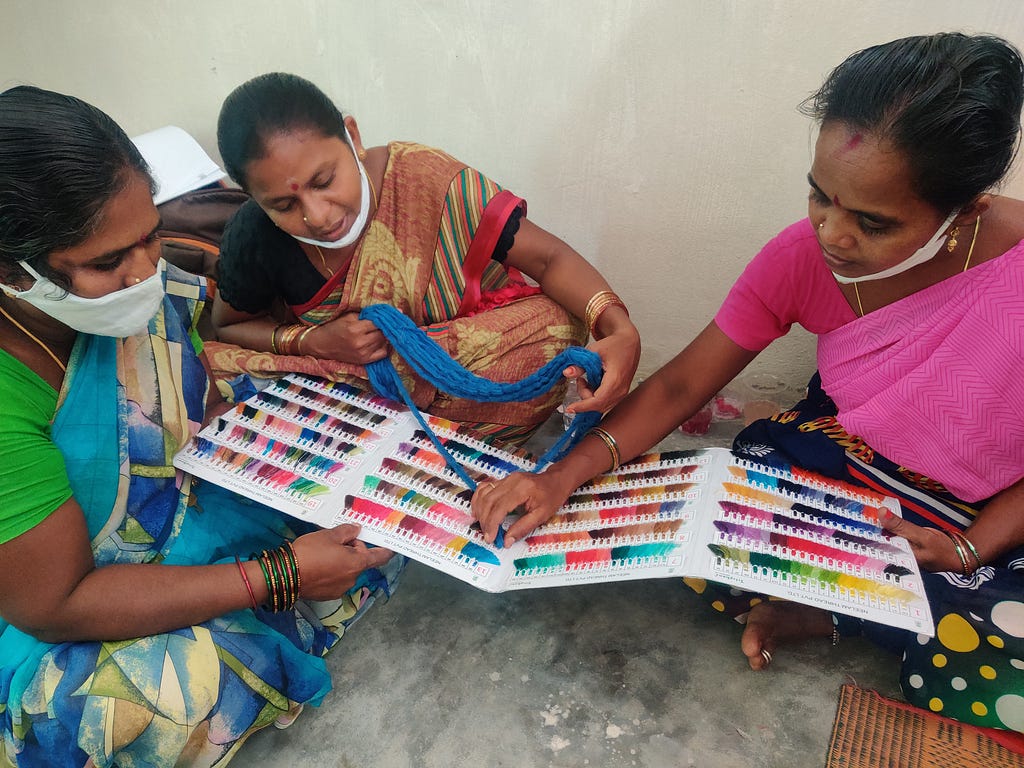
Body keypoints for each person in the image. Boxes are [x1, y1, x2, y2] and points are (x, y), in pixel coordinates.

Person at [472, 32, 1024, 733]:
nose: (832, 233)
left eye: (873, 222)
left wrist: (968, 550)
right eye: (819, 196)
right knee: (688, 524)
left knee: (996, 668)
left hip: (992, 511)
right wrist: (556, 477)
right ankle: (856, 601)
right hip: (855, 462)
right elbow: (679, 390)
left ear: (966, 210)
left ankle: (831, 605)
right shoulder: (800, 259)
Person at [0, 86, 401, 767]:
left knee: (369, 493)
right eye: (107, 263)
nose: (146, 270)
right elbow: (55, 603)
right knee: (119, 713)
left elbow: (193, 398)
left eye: (150, 234)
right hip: (58, 602)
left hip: (182, 514)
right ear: (14, 271)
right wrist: (279, 577)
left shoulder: (140, 293)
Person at [208, 73, 641, 444]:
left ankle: (375, 440)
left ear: (353, 138)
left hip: (454, 367)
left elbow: (549, 260)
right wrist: (310, 341)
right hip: (338, 373)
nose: (318, 216)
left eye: (325, 180)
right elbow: (228, 326)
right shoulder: (254, 235)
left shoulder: (426, 179)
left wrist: (619, 329)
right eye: (284, 206)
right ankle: (399, 444)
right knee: (207, 370)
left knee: (557, 326)